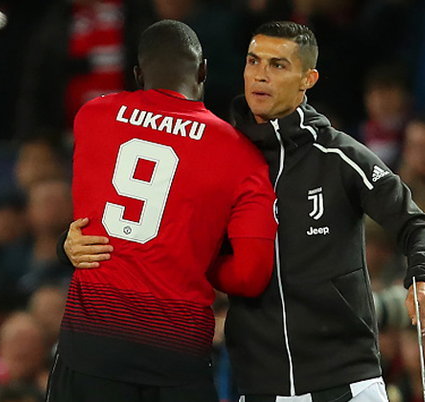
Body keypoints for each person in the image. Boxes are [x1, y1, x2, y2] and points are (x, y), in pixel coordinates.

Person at [62, 21, 425, 401]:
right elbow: (147, 222)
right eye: (253, 61)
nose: (261, 75)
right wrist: (75, 238)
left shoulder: (339, 156)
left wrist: (424, 276)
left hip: (346, 381)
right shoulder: (220, 151)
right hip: (261, 386)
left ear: (308, 79)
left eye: (278, 65)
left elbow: (417, 223)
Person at [48, 20, 277, 402]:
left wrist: (65, 246)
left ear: (138, 74)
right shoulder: (242, 156)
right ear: (203, 71)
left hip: (91, 349)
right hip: (178, 358)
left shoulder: (92, 115)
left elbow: (90, 220)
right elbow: (252, 275)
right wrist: (195, 257)